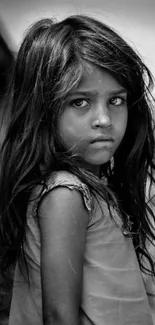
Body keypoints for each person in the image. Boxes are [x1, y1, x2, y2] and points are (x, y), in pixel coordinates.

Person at [0, 14, 155, 325]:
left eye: (116, 100)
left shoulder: (97, 186)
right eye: (80, 102)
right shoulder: (66, 193)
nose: (104, 119)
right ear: (44, 109)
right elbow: (58, 316)